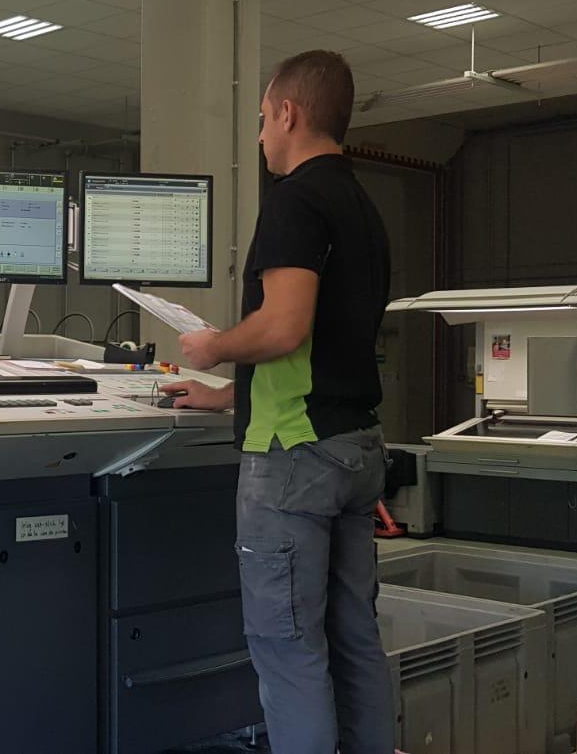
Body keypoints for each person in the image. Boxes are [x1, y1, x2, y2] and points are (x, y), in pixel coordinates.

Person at [162, 50, 393, 754]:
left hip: (295, 459)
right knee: (353, 637)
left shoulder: (294, 199)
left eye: (263, 119)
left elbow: (285, 325)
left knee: (288, 648)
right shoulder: (361, 205)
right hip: (354, 446)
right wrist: (227, 396)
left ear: (288, 113)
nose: (261, 136)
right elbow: (325, 346)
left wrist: (215, 346)